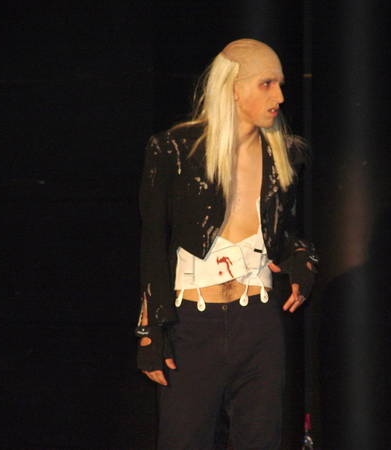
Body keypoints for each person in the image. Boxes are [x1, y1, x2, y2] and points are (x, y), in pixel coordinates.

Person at [134, 38, 317, 449]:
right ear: (234, 88)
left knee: (260, 439)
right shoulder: (174, 149)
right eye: (266, 84)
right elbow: (153, 243)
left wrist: (301, 261)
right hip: (192, 323)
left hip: (259, 322)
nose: (279, 96)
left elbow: (286, 232)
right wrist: (149, 332)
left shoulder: (284, 156)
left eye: (280, 84)